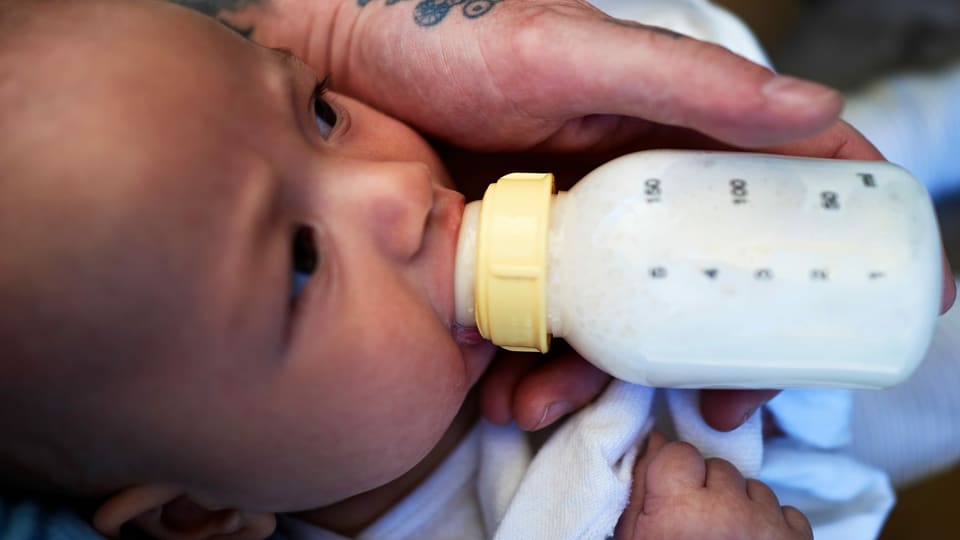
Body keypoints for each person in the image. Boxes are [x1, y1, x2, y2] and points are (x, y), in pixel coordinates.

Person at [0, 1, 953, 539]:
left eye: (322, 113)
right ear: (202, 512)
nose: (393, 189)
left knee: (836, 152)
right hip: (846, 410)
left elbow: (680, 61)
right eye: (298, 261)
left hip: (809, 271)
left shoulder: (504, 168)